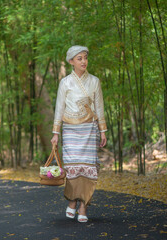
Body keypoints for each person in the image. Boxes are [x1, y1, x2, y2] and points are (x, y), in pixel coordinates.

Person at [51, 45, 107, 223]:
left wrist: (103, 130)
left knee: (88, 169)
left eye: (85, 57)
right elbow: (59, 108)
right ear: (71, 62)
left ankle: (83, 206)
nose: (84, 61)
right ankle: (73, 200)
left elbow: (99, 107)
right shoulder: (65, 82)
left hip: (89, 129)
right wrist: (56, 133)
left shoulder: (95, 81)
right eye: (79, 58)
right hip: (70, 129)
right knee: (73, 168)